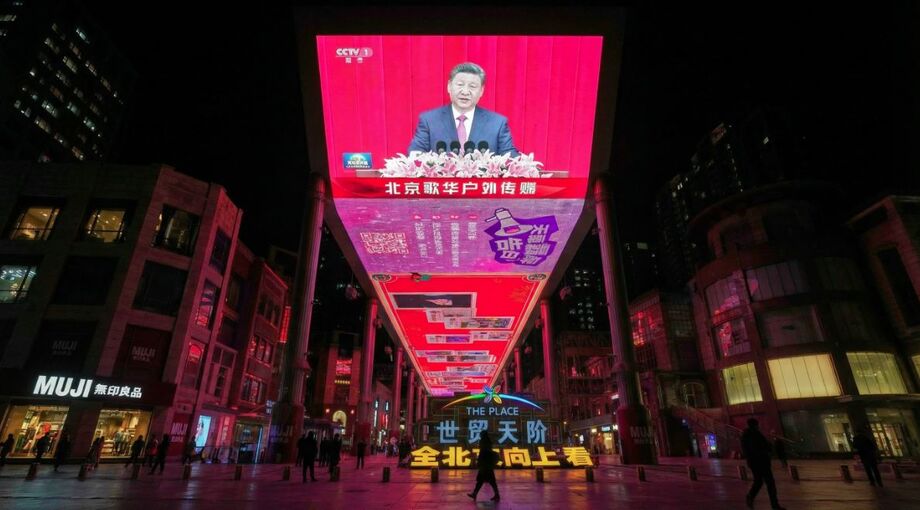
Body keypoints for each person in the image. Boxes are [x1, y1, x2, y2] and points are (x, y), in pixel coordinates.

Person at [408, 62, 519, 157]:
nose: (465, 92)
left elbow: (510, 159)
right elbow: (415, 155)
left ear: (481, 91)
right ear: (449, 86)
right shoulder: (429, 120)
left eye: (472, 86)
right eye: (460, 84)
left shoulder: (497, 123)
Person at [742, 419, 785, 510]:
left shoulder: (746, 435)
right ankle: (774, 505)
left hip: (754, 462)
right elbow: (762, 446)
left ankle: (750, 496)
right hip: (762, 462)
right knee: (770, 484)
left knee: (759, 481)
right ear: (755, 425)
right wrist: (767, 450)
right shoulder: (755, 435)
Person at [467, 431, 500, 502]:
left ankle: (475, 494)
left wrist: (479, 461)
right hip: (487, 466)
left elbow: (483, 453)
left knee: (482, 481)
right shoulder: (488, 441)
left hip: (485, 466)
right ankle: (496, 495)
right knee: (489, 481)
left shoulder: (484, 442)